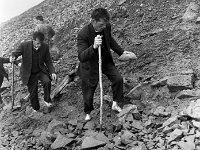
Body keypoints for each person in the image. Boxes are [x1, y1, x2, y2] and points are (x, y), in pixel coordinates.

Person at [77, 8, 137, 121]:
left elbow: (110, 40)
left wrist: (121, 52)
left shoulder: (106, 26)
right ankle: (88, 111)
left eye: (105, 24)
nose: (103, 27)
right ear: (93, 21)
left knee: (118, 79)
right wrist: (94, 47)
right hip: (90, 66)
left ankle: (115, 103)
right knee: (89, 91)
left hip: (105, 61)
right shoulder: (83, 34)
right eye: (101, 25)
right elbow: (82, 57)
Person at [10, 31, 57, 116]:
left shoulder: (45, 47)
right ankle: (36, 108)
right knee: (33, 91)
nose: (39, 45)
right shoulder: (24, 45)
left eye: (41, 43)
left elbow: (48, 60)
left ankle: (47, 100)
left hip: (40, 70)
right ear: (33, 40)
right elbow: (15, 54)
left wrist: (52, 72)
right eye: (38, 43)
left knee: (47, 81)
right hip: (29, 73)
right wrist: (12, 57)